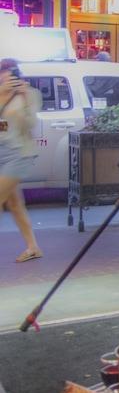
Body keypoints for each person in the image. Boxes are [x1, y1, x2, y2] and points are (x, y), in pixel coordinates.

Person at [0, 59, 44, 263]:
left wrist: (25, 99)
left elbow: (30, 124)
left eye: (11, 72)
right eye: (4, 73)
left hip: (19, 153)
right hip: (1, 152)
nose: (8, 76)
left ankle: (33, 247)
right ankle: (33, 247)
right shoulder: (1, 93)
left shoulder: (30, 94)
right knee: (14, 203)